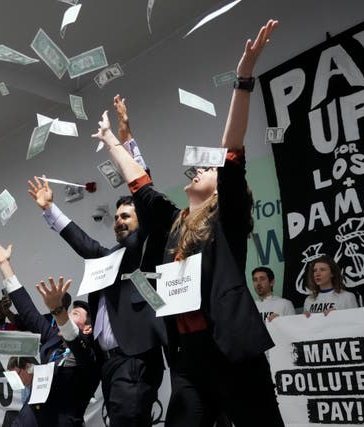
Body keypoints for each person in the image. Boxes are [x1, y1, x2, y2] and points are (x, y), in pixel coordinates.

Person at [90, 20, 284, 426]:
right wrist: (111, 140)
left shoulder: (226, 218)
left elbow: (231, 147)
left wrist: (243, 78)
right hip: (188, 356)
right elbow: (139, 183)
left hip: (229, 350)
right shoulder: (173, 221)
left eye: (208, 170)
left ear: (220, 188)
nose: (198, 170)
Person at [27, 96, 167, 426]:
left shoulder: (143, 250)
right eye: (116, 216)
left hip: (135, 358)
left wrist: (125, 140)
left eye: (126, 215)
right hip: (111, 364)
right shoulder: (110, 258)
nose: (118, 220)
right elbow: (83, 243)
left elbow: (146, 197)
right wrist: (50, 209)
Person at [0, 237, 100, 427]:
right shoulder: (53, 338)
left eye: (75, 314)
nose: (69, 315)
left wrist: (58, 312)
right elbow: (28, 312)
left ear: (88, 328)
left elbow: (74, 340)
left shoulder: (91, 354)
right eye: (69, 312)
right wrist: (5, 265)